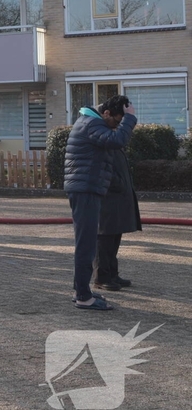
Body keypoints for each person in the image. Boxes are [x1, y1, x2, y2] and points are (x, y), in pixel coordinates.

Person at [65, 95, 137, 310]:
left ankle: (82, 290)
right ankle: (83, 297)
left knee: (86, 243)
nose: (116, 127)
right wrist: (130, 119)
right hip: (86, 189)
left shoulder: (90, 122)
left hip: (87, 188)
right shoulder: (92, 123)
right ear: (106, 113)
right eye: (116, 121)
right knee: (86, 245)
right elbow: (116, 141)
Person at [93, 104, 142, 292]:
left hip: (116, 194)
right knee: (104, 238)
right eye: (118, 120)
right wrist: (116, 183)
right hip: (107, 196)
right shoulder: (99, 132)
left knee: (114, 237)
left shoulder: (107, 132)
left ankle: (112, 274)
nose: (119, 124)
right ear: (106, 114)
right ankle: (101, 277)